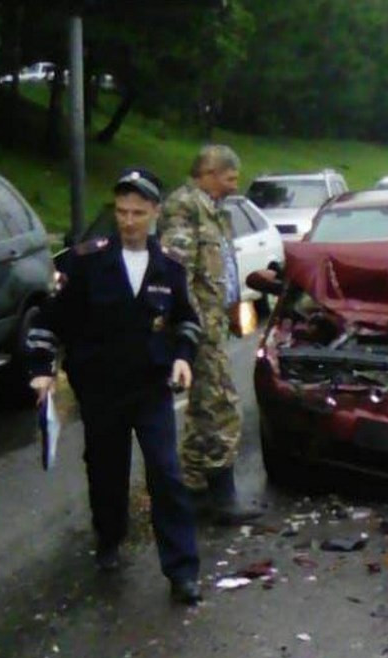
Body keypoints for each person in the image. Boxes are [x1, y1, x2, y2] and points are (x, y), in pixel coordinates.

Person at [27, 168, 203, 605]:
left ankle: (182, 571)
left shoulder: (170, 267)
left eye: (138, 213)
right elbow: (51, 320)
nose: (128, 221)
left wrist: (183, 356)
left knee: (165, 473)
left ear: (155, 213)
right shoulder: (86, 262)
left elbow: (187, 321)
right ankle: (109, 537)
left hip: (150, 388)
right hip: (102, 388)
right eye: (122, 212)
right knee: (106, 472)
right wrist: (42, 367)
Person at [157, 145, 261, 524]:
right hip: (198, 325)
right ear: (210, 173)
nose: (235, 185)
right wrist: (188, 326)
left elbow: (222, 268)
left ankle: (195, 486)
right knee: (221, 406)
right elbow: (177, 272)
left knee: (204, 406)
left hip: (215, 320)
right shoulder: (185, 208)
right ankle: (222, 495)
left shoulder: (215, 210)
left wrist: (234, 309)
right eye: (230, 178)